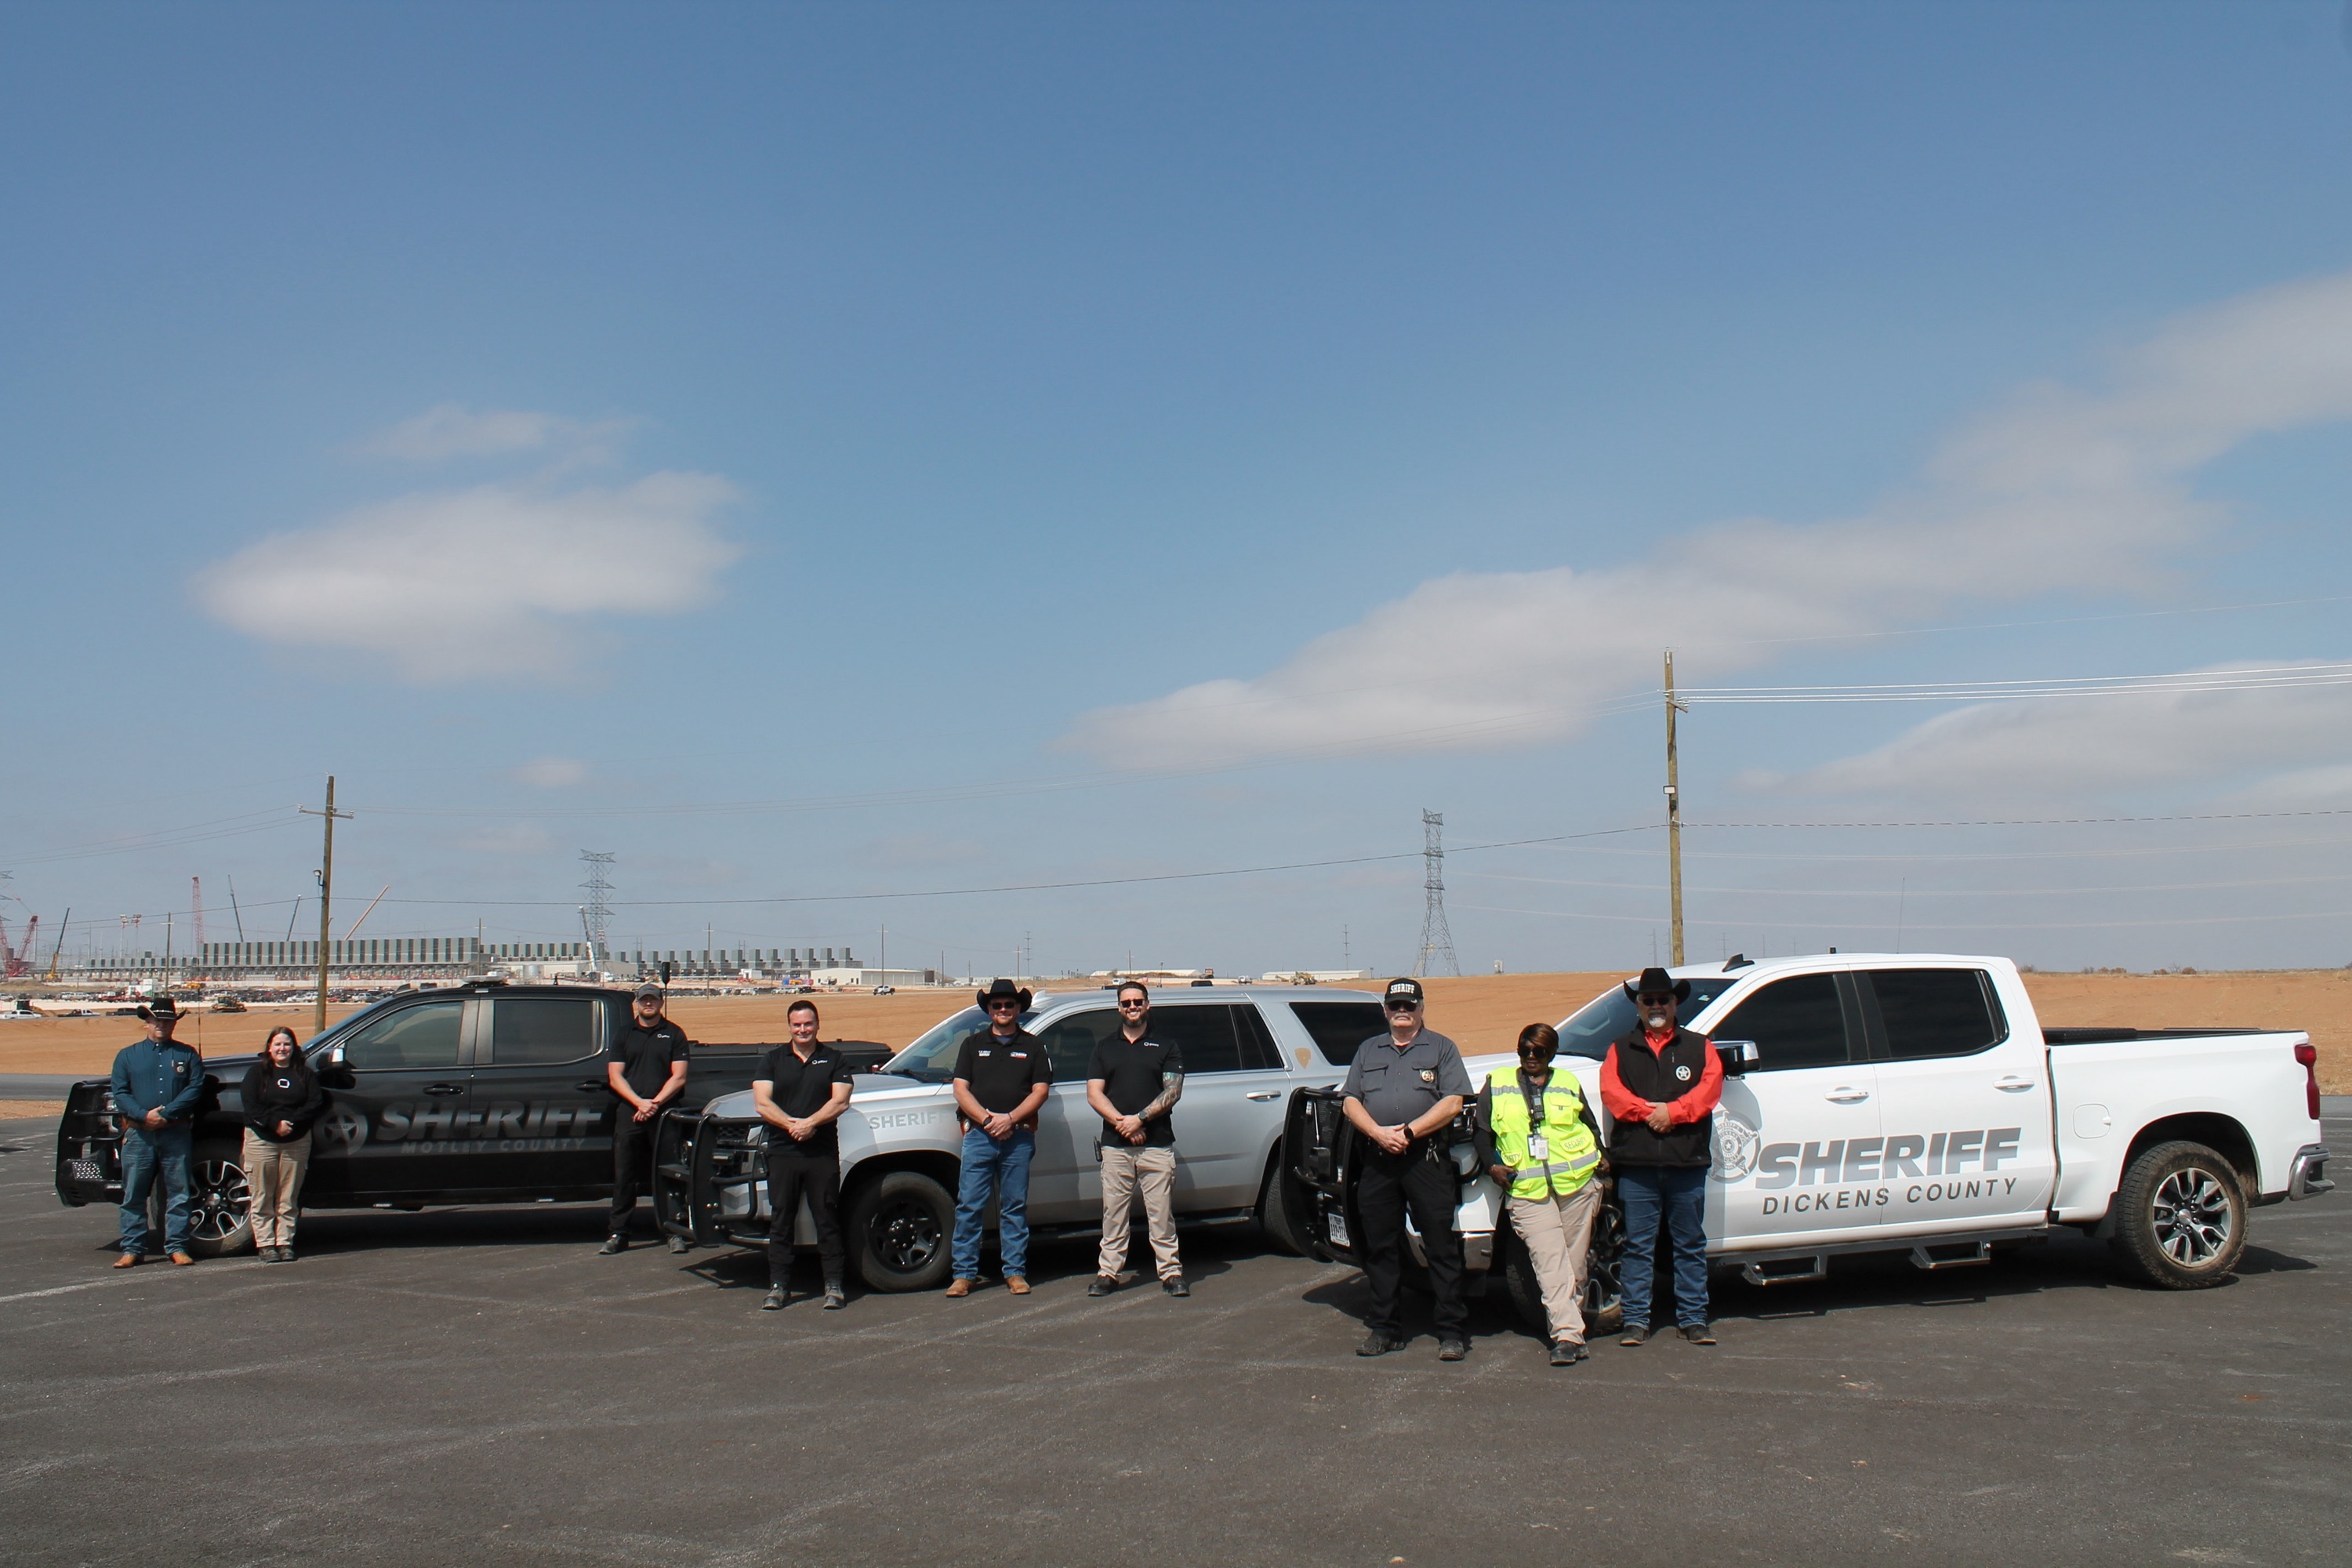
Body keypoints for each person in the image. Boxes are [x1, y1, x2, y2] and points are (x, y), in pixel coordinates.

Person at [1341, 977, 1475, 1359]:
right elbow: (1350, 1101)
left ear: (1421, 1009)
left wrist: (1410, 1132)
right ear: (1385, 1010)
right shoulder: (1368, 1050)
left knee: (1440, 1246)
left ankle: (1451, 1332)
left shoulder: (1441, 1048)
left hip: (1425, 1158)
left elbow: (1453, 1102)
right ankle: (1385, 1329)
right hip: (1379, 1158)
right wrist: (1379, 1134)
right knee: (1380, 1247)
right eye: (1395, 1006)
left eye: (1409, 1006)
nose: (1402, 1012)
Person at [1599, 966, 1724, 1346]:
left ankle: (1694, 1319)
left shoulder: (1700, 1047)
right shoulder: (1620, 1049)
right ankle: (1636, 1322)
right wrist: (1650, 1113)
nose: (1656, 1006)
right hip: (1637, 1167)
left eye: (1663, 1000)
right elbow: (1612, 1094)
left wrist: (1674, 1113)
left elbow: (1709, 1090)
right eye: (1648, 1000)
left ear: (1675, 1004)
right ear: (1638, 1005)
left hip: (1686, 1163)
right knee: (1638, 1246)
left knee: (1689, 1244)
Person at [1475, 1022, 1605, 1366]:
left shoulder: (1568, 1082)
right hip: (1527, 1190)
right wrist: (1491, 1166)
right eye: (1525, 1050)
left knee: (1575, 1267)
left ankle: (1571, 1331)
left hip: (1577, 1185)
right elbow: (1481, 1132)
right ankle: (1567, 1336)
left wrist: (1602, 1160)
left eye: (1539, 1052)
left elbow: (1590, 1126)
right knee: (1550, 1263)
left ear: (1552, 1053)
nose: (1531, 1057)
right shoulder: (1497, 1082)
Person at [946, 978, 1051, 1297]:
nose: (1003, 1009)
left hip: (1018, 1137)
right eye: (997, 1005)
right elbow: (960, 1089)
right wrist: (988, 1120)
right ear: (989, 1010)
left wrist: (1011, 1119)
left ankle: (1015, 1272)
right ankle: (964, 1274)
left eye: (1009, 1004)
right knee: (969, 1205)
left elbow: (1040, 1091)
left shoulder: (1033, 1046)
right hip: (979, 1136)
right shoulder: (972, 1044)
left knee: (1014, 1206)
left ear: (1018, 1008)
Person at [1083, 979, 1186, 1297]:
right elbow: (1094, 1093)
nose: (1132, 1007)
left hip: (1157, 1144)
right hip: (1116, 1146)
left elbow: (1173, 1091)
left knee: (1161, 1214)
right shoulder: (1104, 1048)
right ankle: (1108, 1273)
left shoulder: (1166, 1045)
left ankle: (1171, 1272)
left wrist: (1140, 1119)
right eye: (1126, 1003)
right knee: (1114, 1214)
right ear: (1119, 1008)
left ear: (1147, 1005)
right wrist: (1123, 1124)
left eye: (1138, 1002)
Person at [753, 1000, 855, 1311]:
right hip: (783, 1152)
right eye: (797, 1025)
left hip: (820, 1153)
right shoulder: (772, 1059)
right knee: (781, 1220)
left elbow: (841, 1101)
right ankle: (778, 1286)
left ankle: (834, 1285)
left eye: (808, 1024)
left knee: (826, 1218)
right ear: (789, 1027)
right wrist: (792, 1126)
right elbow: (762, 1103)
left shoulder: (835, 1059)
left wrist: (811, 1123)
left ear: (817, 1024)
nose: (803, 1030)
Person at [109, 996, 205, 1268]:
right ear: (147, 1022)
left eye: (167, 1021)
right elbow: (120, 1093)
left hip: (175, 1133)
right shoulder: (127, 1056)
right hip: (139, 1135)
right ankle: (132, 1249)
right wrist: (144, 1115)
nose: (161, 1024)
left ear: (174, 1024)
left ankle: (177, 1246)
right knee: (134, 1194)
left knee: (179, 1193)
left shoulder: (187, 1055)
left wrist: (167, 1114)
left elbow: (194, 1088)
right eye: (156, 1020)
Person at [603, 982, 693, 1255]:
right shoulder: (623, 1035)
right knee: (624, 1174)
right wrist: (639, 1102)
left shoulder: (674, 1033)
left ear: (661, 1002)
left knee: (669, 1173)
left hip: (664, 1112)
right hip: (630, 1111)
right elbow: (615, 1076)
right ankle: (618, 1232)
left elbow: (679, 1077)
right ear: (637, 1004)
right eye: (644, 1000)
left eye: (653, 999)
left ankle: (674, 1231)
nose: (648, 1004)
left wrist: (654, 1103)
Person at [241, 1026, 325, 1263]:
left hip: (296, 1141)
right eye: (277, 1044)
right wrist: (274, 1124)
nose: (282, 1049)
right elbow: (250, 1104)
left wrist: (293, 1123)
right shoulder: (256, 1073)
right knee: (262, 1195)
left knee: (288, 1196)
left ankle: (285, 1242)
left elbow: (315, 1103)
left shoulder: (305, 1075)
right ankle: (266, 1244)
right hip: (262, 1140)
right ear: (269, 1047)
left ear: (293, 1048)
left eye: (286, 1044)